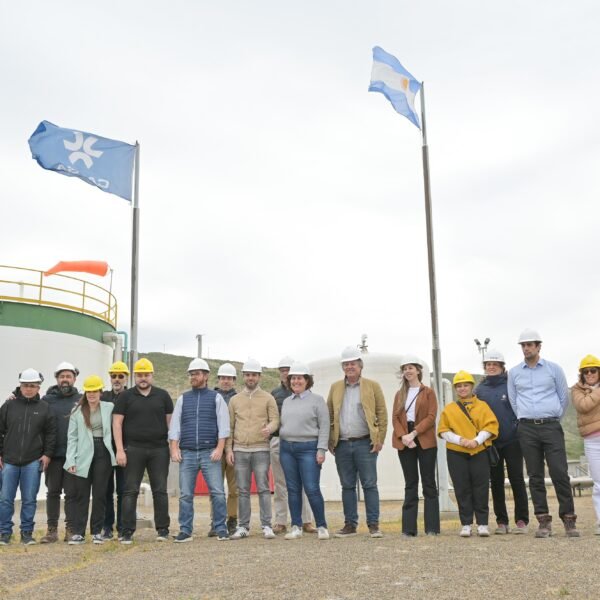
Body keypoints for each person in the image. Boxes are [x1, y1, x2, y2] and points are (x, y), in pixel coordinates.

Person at [507, 329, 577, 537]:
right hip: (527, 428)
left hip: (550, 426)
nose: (526, 348)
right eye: (523, 345)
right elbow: (513, 400)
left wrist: (552, 417)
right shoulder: (514, 373)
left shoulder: (554, 369)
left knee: (559, 472)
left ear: (539, 346)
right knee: (535, 475)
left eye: (530, 345)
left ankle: (569, 519)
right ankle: (543, 521)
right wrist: (525, 418)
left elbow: (564, 397)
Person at [327, 346, 388, 538]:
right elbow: (329, 413)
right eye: (346, 364)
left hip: (365, 443)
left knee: (370, 484)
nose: (349, 367)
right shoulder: (335, 387)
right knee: (347, 485)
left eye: (353, 363)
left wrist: (379, 439)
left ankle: (373, 524)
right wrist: (331, 440)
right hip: (343, 444)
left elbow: (382, 413)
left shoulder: (373, 386)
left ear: (360, 366)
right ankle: (350, 525)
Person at [113, 357, 174, 544]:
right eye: (139, 375)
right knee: (130, 491)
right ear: (135, 376)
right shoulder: (125, 397)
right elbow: (117, 423)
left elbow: (171, 424)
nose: (143, 378)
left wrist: (172, 447)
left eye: (146, 375)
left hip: (159, 450)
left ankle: (162, 530)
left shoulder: (163, 396)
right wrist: (120, 451)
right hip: (133, 449)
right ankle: (126, 531)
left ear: (152, 376)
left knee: (160, 490)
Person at [169, 359, 230, 542]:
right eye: (191, 374)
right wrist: (174, 447)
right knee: (186, 494)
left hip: (209, 452)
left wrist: (220, 448)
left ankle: (220, 528)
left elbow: (224, 426)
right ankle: (185, 531)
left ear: (205, 376)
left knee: (218, 492)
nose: (193, 377)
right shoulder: (182, 399)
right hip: (187, 453)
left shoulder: (216, 398)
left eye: (196, 373)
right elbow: (175, 426)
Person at [438, 370, 499, 537]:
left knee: (481, 487)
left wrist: (476, 441)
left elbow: (491, 427)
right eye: (459, 386)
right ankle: (466, 524)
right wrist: (461, 441)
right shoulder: (449, 409)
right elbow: (443, 430)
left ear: (472, 387)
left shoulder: (483, 406)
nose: (462, 388)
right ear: (455, 389)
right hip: (456, 452)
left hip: (479, 451)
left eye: (466, 385)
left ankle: (482, 524)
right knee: (461, 488)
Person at [475, 349, 529, 535]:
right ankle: (501, 522)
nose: (491, 367)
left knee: (517, 480)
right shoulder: (479, 390)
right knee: (496, 482)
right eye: (488, 364)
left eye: (494, 364)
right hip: (491, 443)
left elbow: (520, 407)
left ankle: (521, 520)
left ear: (501, 367)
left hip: (513, 440)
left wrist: (517, 428)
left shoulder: (510, 385)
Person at [0, 369, 56, 545]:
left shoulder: (45, 408)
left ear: (39, 387)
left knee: (29, 499)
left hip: (32, 461)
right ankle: (4, 533)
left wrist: (47, 454)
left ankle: (27, 534)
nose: (29, 389)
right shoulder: (8, 406)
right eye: (25, 385)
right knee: (5, 499)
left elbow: (51, 434)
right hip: (9, 461)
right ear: (20, 386)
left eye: (32, 386)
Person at [226, 358, 279, 540]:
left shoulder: (268, 398)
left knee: (264, 488)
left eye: (254, 375)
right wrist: (229, 450)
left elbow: (275, 420)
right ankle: (243, 527)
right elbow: (230, 427)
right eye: (248, 374)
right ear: (243, 377)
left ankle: (266, 525)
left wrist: (269, 429)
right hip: (240, 450)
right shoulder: (234, 400)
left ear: (259, 377)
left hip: (261, 449)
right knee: (242, 490)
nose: (251, 378)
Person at [278, 362, 330, 540]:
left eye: (299, 378)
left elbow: (324, 427)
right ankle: (296, 526)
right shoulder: (286, 402)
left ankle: (322, 526)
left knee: (312, 488)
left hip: (308, 449)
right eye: (293, 378)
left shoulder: (317, 400)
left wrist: (321, 449)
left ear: (307, 380)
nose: (295, 381)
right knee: (292, 489)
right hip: (287, 449)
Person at [391, 355, 440, 537]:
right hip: (405, 440)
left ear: (418, 370)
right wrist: (403, 435)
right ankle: (409, 529)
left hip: (424, 438)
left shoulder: (428, 392)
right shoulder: (399, 394)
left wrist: (414, 433)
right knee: (410, 483)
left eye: (410, 368)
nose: (407, 371)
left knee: (429, 483)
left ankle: (432, 528)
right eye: (405, 369)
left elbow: (431, 416)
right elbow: (395, 417)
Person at [65, 375, 116, 545]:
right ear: (85, 393)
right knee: (82, 494)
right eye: (89, 391)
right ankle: (79, 532)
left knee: (100, 493)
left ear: (100, 392)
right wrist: (71, 460)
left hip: (103, 451)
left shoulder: (109, 407)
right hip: (84, 453)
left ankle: (96, 532)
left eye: (95, 391)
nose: (92, 394)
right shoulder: (77, 412)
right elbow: (72, 438)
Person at [270, 356, 315, 535]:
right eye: (282, 370)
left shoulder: (306, 394)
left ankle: (306, 520)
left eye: (289, 370)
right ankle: (281, 521)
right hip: (278, 441)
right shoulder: (274, 394)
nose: (286, 373)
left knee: (303, 482)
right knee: (281, 483)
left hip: (301, 442)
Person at [40, 361, 81, 543]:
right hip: (53, 456)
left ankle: (70, 530)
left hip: (73, 456)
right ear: (57, 378)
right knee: (53, 492)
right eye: (62, 376)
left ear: (74, 379)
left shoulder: (81, 399)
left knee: (72, 494)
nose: (65, 379)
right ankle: (51, 530)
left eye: (68, 376)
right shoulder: (47, 400)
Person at [571, 354, 600, 535]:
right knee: (598, 483)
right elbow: (584, 405)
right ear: (581, 374)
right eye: (586, 371)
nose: (589, 374)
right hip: (592, 441)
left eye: (593, 370)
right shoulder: (576, 390)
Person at [208, 362, 238, 536]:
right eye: (223, 378)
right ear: (218, 379)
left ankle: (232, 520)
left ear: (234, 380)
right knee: (215, 487)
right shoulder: (210, 397)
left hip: (234, 448)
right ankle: (216, 521)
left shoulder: (239, 399)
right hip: (214, 448)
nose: (226, 381)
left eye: (229, 378)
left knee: (234, 488)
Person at [101, 360, 129, 540]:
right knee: (105, 490)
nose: (117, 379)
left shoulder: (133, 396)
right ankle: (107, 527)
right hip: (105, 449)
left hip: (126, 449)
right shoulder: (102, 396)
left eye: (120, 376)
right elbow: (81, 401)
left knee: (124, 491)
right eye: (113, 376)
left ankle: (123, 527)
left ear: (126, 378)